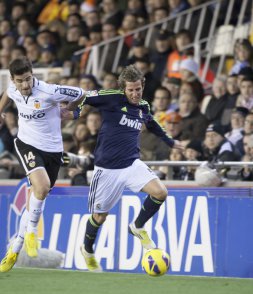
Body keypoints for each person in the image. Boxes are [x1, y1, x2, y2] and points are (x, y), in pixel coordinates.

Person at [63, 65, 183, 272]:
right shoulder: (110, 97)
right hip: (107, 169)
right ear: (123, 89)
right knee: (100, 217)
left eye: (138, 89)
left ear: (142, 86)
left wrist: (170, 141)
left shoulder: (143, 106)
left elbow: (152, 123)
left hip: (131, 163)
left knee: (160, 192)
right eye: (131, 90)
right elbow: (82, 95)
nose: (135, 94)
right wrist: (74, 111)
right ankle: (88, 249)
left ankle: (137, 226)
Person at [0, 56, 86, 273]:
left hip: (53, 150)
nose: (25, 85)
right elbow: (7, 95)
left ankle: (14, 249)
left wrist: (70, 111)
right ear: (13, 80)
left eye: (28, 79)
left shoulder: (49, 91)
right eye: (20, 81)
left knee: (38, 197)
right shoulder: (13, 88)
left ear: (33, 75)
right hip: (27, 144)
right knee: (41, 187)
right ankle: (30, 233)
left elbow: (81, 93)